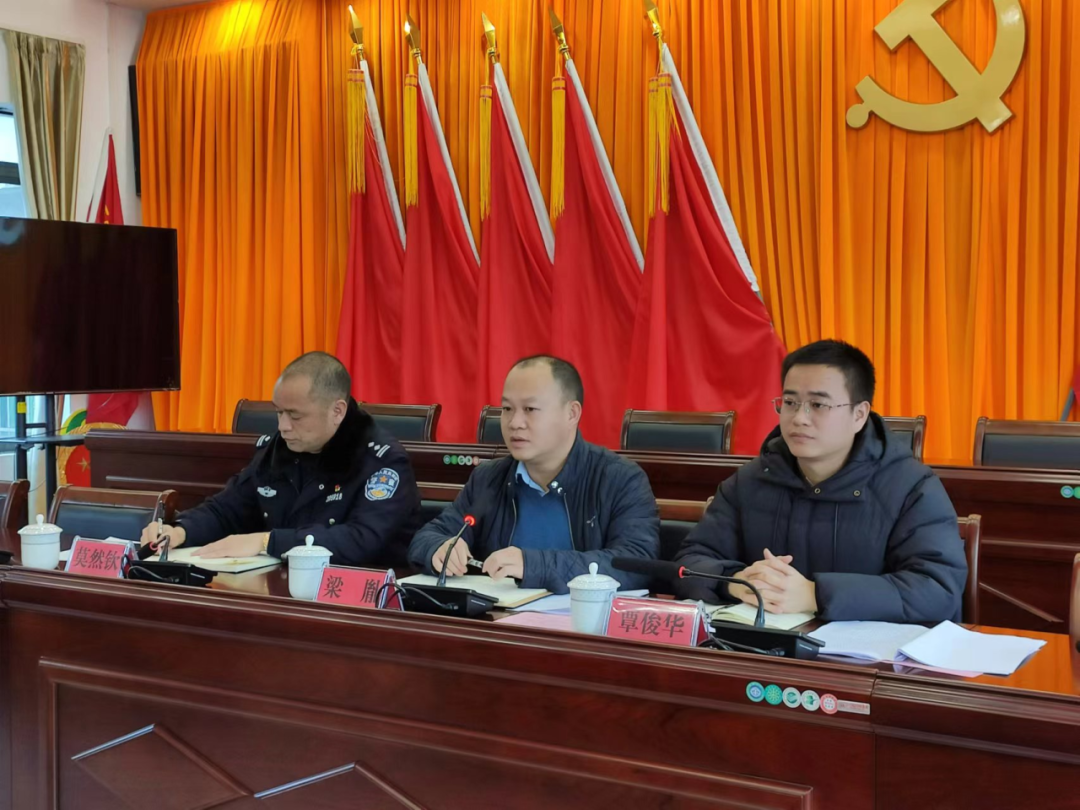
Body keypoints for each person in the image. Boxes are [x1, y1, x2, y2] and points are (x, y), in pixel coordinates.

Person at [674, 339, 967, 622]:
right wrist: (735, 581)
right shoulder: (750, 481)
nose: (799, 418)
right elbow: (689, 561)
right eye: (790, 402)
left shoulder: (912, 488)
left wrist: (814, 595)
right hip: (762, 647)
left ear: (859, 415)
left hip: (866, 654)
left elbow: (938, 589)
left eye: (817, 405)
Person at [140, 351, 420, 566]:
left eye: (295, 415)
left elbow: (362, 540)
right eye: (278, 412)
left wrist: (267, 542)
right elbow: (227, 509)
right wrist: (180, 531)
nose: (283, 426)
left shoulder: (381, 461)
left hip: (357, 600)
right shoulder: (278, 448)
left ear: (337, 411)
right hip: (281, 587)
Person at [407, 356, 659, 593]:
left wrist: (533, 565)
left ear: (571, 414)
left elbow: (635, 564)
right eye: (507, 409)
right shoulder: (489, 478)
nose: (514, 422)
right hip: (497, 620)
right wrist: (437, 549)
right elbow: (428, 536)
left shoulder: (620, 479)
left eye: (530, 409)